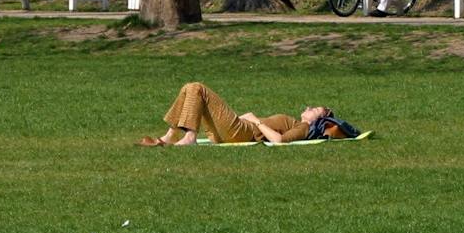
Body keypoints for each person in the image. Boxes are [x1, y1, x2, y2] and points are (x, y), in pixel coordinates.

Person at [138, 81, 355, 146]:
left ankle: (189, 137)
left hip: (243, 131)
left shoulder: (304, 128)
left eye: (314, 109)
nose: (308, 108)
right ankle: (170, 136)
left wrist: (255, 120)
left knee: (197, 88)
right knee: (189, 88)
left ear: (319, 119)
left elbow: (279, 141)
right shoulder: (296, 122)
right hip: (232, 132)